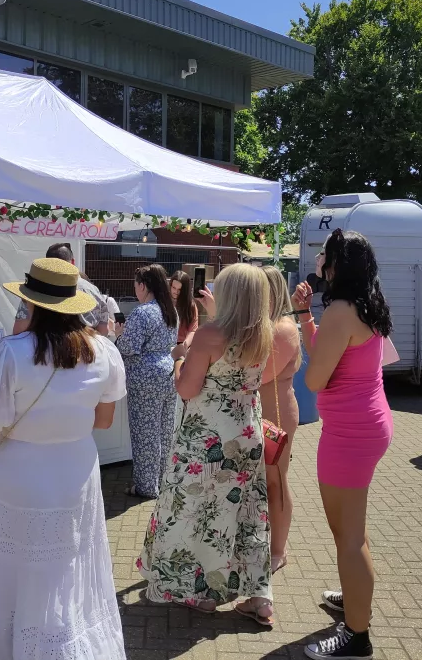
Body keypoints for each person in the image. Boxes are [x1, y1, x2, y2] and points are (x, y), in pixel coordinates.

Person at [0, 258, 126, 658]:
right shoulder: (102, 350)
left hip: (20, 475)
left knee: (11, 569)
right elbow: (103, 421)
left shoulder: (8, 353)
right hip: (75, 473)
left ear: (29, 302)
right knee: (68, 566)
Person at [138, 263, 275, 626]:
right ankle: (261, 597)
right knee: (246, 513)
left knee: (197, 512)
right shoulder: (265, 333)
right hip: (247, 433)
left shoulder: (210, 335)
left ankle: (203, 595)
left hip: (208, 437)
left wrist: (179, 359)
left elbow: (186, 388)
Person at [299, 229, 391, 660]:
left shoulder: (339, 309)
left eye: (326, 259)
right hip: (365, 426)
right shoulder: (367, 304)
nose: (321, 265)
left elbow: (316, 377)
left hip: (349, 433)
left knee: (348, 538)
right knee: (351, 533)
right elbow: (328, 352)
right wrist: (305, 316)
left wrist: (313, 321)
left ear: (337, 266)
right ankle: (355, 602)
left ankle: (357, 634)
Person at [117, 264, 179, 498]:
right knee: (164, 431)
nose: (135, 291)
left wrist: (119, 334)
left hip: (145, 378)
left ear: (143, 286)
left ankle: (145, 486)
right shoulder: (170, 310)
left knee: (145, 435)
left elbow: (129, 347)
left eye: (136, 286)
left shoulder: (142, 313)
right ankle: (163, 480)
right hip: (167, 373)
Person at [259, 266, 302, 574]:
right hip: (261, 410)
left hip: (275, 413)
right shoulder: (268, 325)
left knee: (276, 481)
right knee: (265, 481)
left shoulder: (283, 328)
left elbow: (258, 374)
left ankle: (279, 550)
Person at [12, 243, 110, 336]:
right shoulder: (92, 289)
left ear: (47, 263)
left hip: (40, 347)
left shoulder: (36, 289)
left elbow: (19, 329)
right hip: (86, 348)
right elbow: (103, 330)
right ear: (72, 262)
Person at [170, 270, 199, 347]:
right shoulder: (164, 302)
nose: (176, 291)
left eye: (179, 289)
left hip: (182, 344)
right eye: (173, 288)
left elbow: (193, 330)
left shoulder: (190, 306)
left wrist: (184, 346)